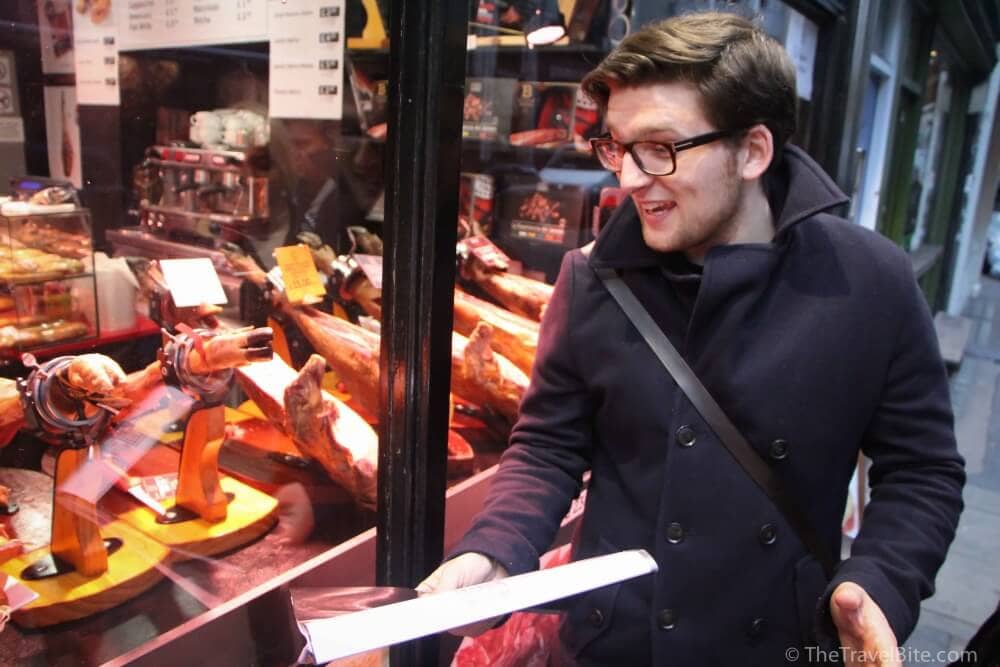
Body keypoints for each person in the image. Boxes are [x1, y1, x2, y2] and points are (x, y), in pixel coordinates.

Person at [418, 11, 966, 666]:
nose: (626, 178)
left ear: (754, 151)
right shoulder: (593, 278)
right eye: (617, 147)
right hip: (613, 644)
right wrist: (494, 547)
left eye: (660, 148)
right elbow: (548, 444)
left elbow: (923, 470)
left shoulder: (872, 284)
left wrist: (880, 582)